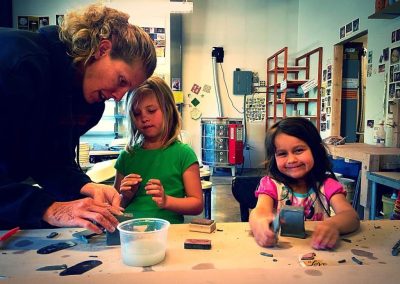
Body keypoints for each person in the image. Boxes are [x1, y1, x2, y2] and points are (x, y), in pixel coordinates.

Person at [0, 4, 157, 233]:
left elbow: (51, 161)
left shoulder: (88, 105)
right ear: (102, 50)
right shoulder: (20, 64)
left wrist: (85, 186)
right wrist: (47, 208)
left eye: (128, 90)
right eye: (122, 80)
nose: (118, 96)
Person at [249, 117, 359, 249]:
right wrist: (260, 224)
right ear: (274, 158)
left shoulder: (327, 185)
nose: (291, 159)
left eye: (299, 150)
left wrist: (333, 225)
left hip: (319, 255)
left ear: (315, 150)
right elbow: (259, 211)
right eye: (282, 153)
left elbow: (351, 216)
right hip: (281, 254)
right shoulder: (271, 184)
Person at [113, 76, 203, 224]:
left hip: (168, 233)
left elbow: (197, 204)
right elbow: (115, 207)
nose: (144, 118)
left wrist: (167, 201)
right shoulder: (126, 156)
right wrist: (126, 196)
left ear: (168, 110)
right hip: (130, 232)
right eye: (137, 113)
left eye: (151, 110)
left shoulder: (184, 154)